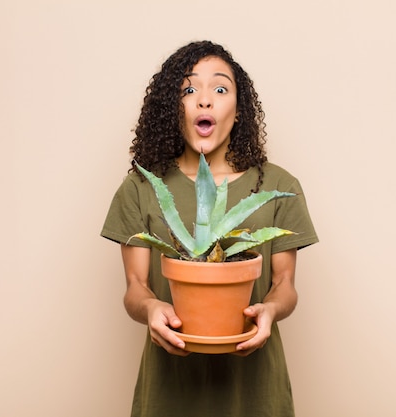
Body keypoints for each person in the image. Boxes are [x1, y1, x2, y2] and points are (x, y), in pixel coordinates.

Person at [101, 40, 318, 417]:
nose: (205, 100)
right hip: (169, 394)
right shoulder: (141, 186)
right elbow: (135, 288)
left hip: (254, 394)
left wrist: (268, 310)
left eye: (220, 89)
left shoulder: (277, 186)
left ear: (238, 112)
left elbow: (285, 285)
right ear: (174, 109)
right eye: (189, 89)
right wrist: (152, 307)